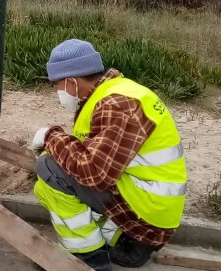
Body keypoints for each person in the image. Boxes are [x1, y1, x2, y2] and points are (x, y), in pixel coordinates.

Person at [30, 39, 187, 270]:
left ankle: (87, 258)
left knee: (49, 168)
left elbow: (94, 173)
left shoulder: (116, 104)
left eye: (58, 84)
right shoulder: (117, 92)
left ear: (72, 81)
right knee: (45, 188)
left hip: (147, 214)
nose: (58, 91)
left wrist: (50, 136)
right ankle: (120, 240)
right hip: (148, 203)